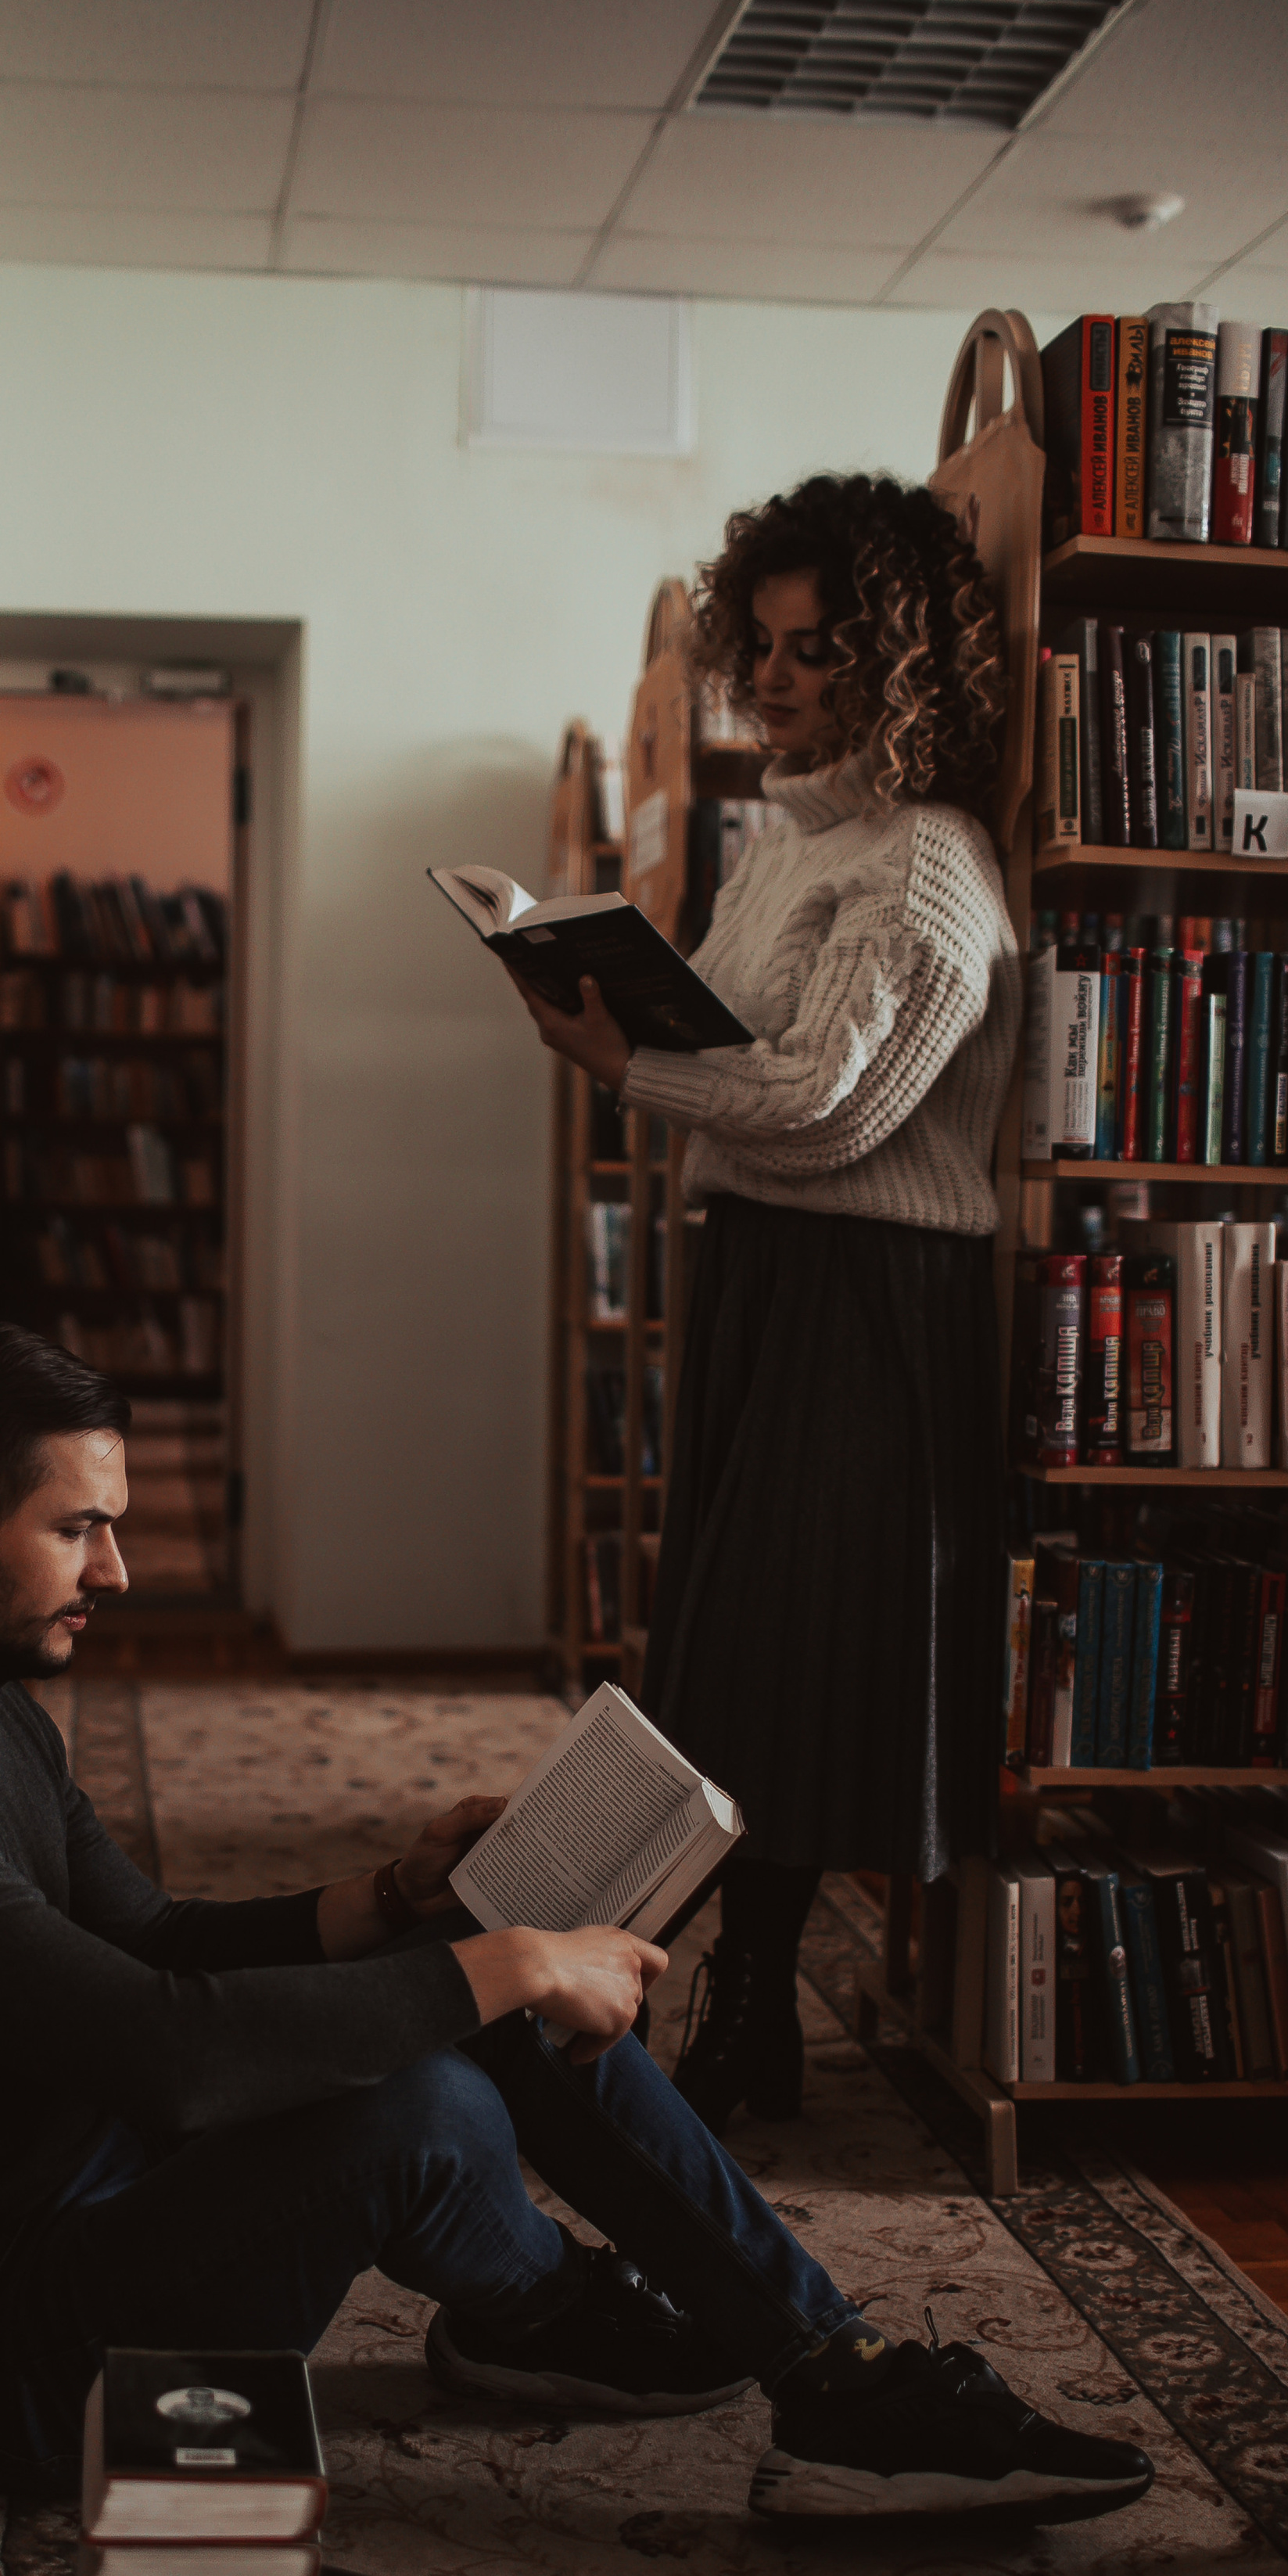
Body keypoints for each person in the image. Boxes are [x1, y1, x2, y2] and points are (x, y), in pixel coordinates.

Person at [0, 1318, 1151, 2528]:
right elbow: (170, 2051)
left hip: (105, 2194)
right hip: (9, 2369)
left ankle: (818, 2368)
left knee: (464, 1984)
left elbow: (152, 1940)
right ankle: (556, 2314)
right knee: (431, 2082)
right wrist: (507, 1962)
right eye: (78, 1529)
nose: (117, 1572)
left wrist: (400, 1900)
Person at [512, 473, 1016, 2132]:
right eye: (768, 645)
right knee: (727, 1645)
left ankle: (744, 2006)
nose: (778, 678)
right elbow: (750, 1056)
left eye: (819, 650)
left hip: (863, 1292)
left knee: (791, 1650)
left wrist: (629, 1065)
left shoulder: (929, 865)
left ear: (899, 664)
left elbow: (827, 1108)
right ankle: (682, 1987)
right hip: (763, 1273)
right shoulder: (788, 843)